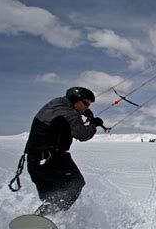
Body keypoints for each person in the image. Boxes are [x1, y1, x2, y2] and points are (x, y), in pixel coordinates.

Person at [23, 87, 104, 215]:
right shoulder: (70, 114)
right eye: (85, 103)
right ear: (75, 99)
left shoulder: (55, 104)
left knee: (53, 196)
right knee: (75, 183)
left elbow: (61, 116)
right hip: (52, 160)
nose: (86, 107)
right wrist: (94, 124)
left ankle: (45, 220)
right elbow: (83, 135)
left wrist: (84, 112)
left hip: (35, 162)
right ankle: (44, 217)